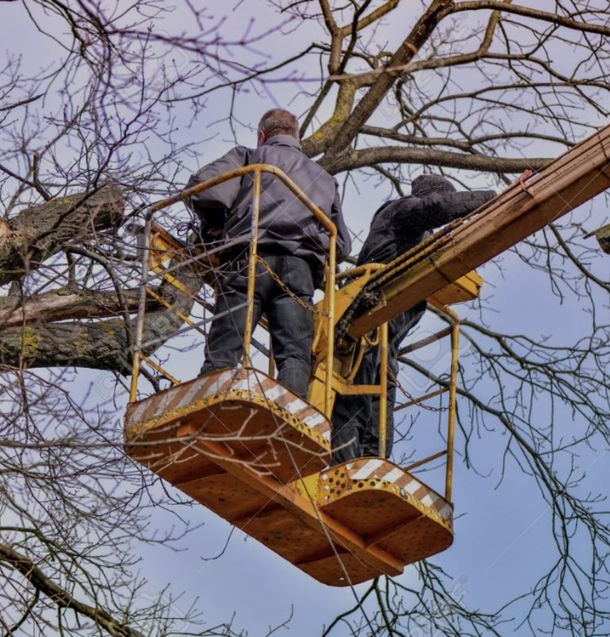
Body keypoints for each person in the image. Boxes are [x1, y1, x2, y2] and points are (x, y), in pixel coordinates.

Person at [185, 109, 351, 399]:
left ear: (262, 135)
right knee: (294, 356)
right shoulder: (324, 179)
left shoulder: (249, 157)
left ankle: (206, 406)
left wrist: (217, 227)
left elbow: (204, 191)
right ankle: (289, 417)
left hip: (248, 261)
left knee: (226, 345)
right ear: (296, 137)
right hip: (298, 272)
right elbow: (342, 245)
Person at [330, 174, 496, 464]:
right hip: (364, 323)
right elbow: (436, 207)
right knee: (354, 401)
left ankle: (372, 468)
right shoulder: (400, 212)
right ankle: (343, 468)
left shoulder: (424, 243)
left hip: (384, 340)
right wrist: (492, 199)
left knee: (379, 408)